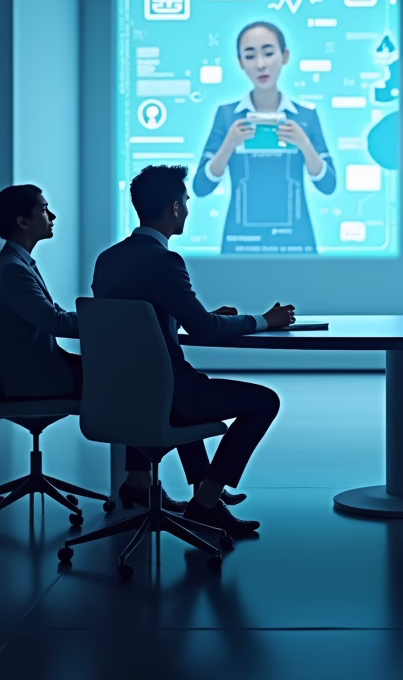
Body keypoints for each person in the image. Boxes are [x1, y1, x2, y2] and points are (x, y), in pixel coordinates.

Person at [92, 165, 295, 538]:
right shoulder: (165, 260)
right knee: (264, 401)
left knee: (185, 386)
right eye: (185, 202)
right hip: (166, 396)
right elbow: (203, 330)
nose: (187, 209)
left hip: (115, 393)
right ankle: (206, 501)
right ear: (173, 208)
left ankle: (138, 483)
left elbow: (141, 319)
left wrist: (197, 315)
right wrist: (265, 320)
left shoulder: (108, 259)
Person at [193, 21, 335, 254]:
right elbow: (201, 186)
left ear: (285, 56)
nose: (261, 64)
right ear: (240, 63)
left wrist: (304, 144)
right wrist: (228, 145)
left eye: (269, 53)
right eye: (250, 56)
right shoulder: (228, 115)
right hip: (241, 240)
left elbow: (328, 185)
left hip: (295, 240)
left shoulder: (305, 116)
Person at [0, 185, 83, 401]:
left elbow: (51, 313)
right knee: (121, 375)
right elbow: (55, 322)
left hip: (33, 374)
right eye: (44, 209)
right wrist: (105, 322)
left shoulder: (15, 264)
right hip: (34, 381)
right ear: (23, 222)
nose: (52, 215)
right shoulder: (12, 269)